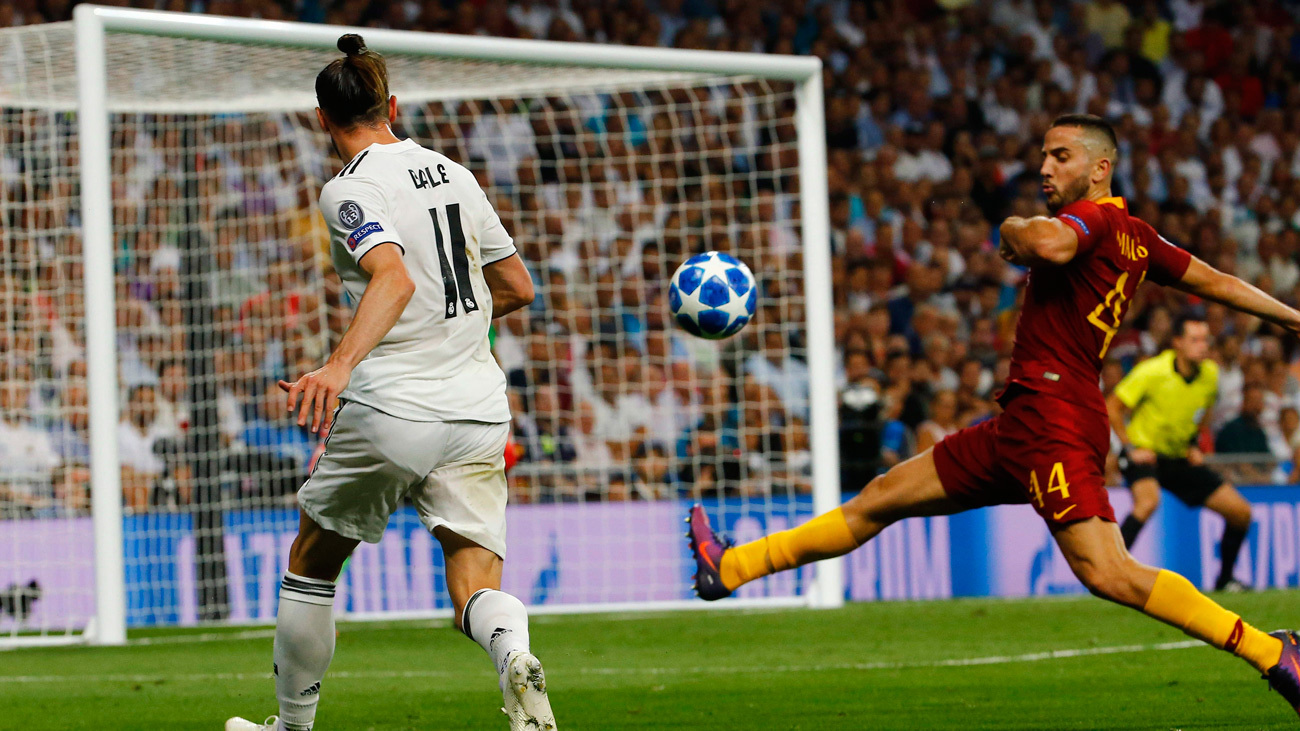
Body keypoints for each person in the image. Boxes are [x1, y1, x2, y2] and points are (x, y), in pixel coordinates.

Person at [688, 114, 1300, 717]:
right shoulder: (1138, 237)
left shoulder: (1092, 219)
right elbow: (1216, 281)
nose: (1045, 167)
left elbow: (1048, 243)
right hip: (1023, 422)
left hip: (1054, 418)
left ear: (1100, 169)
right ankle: (734, 566)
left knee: (1109, 571)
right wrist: (1293, 318)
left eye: (1061, 156)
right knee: (881, 497)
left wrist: (1011, 227)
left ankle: (1272, 652)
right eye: (1044, 155)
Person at [227, 35, 554, 731]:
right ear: (392, 106)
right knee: (474, 578)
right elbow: (516, 286)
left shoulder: (349, 187)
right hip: (477, 409)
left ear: (322, 118)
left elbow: (394, 276)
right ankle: (513, 654)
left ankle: (291, 727)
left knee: (312, 560)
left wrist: (339, 364)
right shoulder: (456, 174)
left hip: (394, 406)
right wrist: (452, 326)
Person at [1108, 316, 1252, 592]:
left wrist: (1194, 443)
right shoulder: (1152, 371)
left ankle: (1225, 581)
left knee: (1241, 513)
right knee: (1148, 502)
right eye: (1195, 340)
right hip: (1145, 455)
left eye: (1205, 340)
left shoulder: (1210, 374)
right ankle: (1110, 573)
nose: (1203, 346)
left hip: (1178, 457)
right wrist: (1129, 448)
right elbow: (1113, 406)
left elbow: (1204, 411)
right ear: (1177, 343)